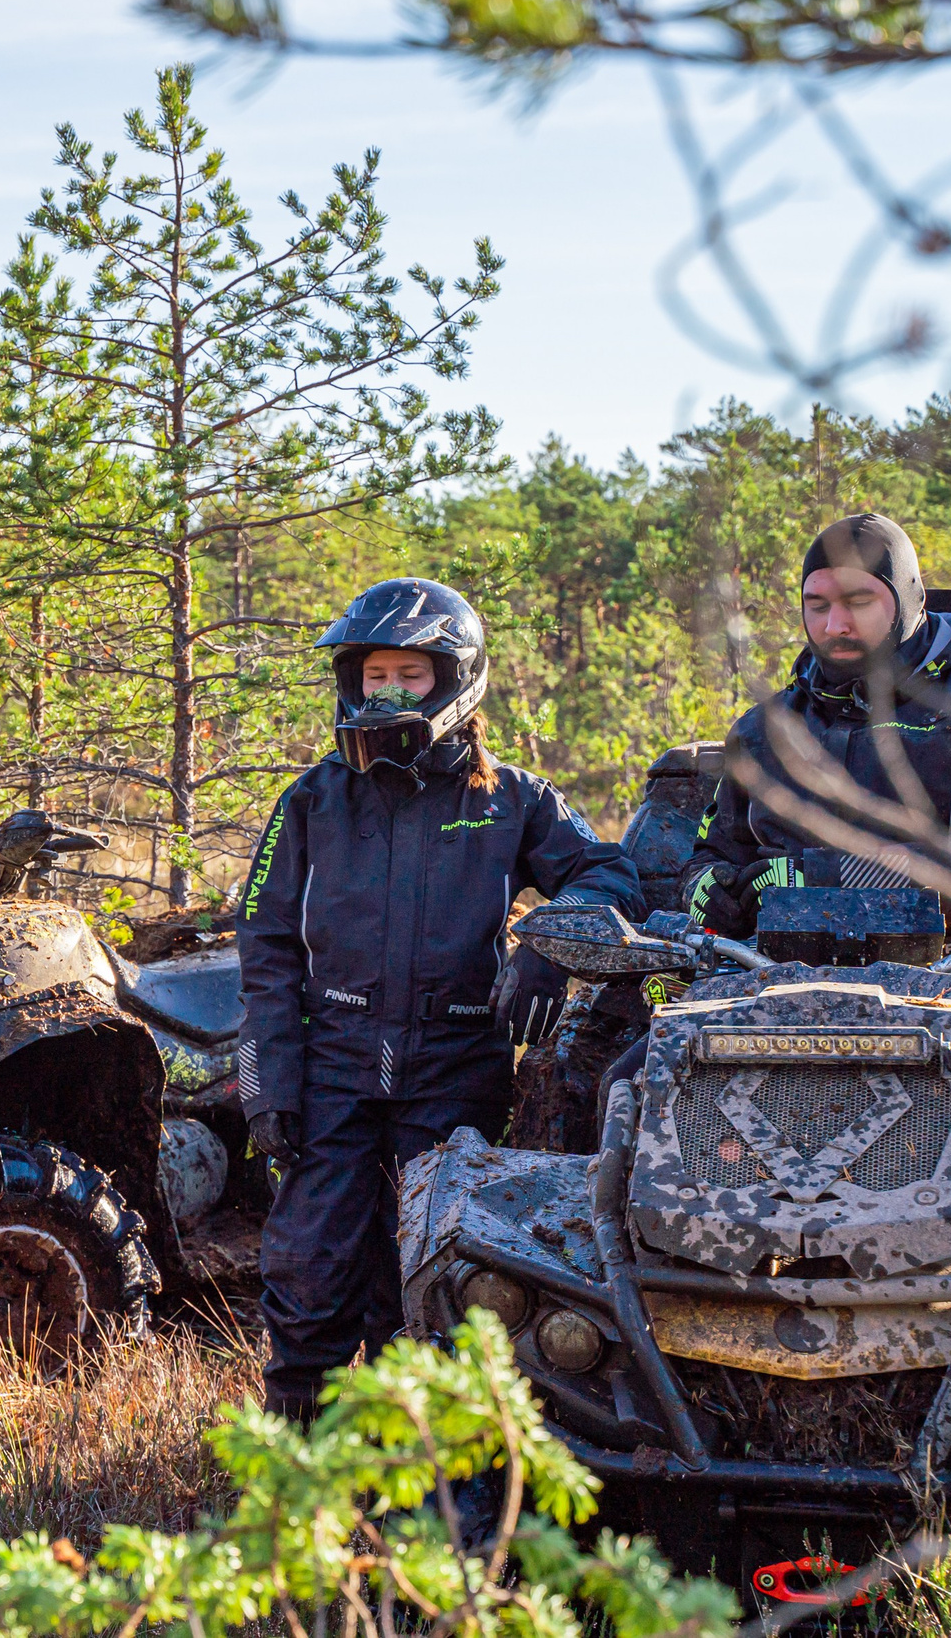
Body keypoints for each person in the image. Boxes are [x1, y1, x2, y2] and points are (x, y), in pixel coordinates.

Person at [233, 577, 640, 1423]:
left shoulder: (511, 797)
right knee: (309, 1277)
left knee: (432, 1285)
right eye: (374, 673)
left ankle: (415, 1494)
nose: (387, 691)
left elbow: (610, 873)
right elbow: (263, 944)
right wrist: (264, 1079)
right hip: (333, 1064)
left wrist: (544, 943)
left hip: (456, 1066)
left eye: (409, 675)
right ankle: (290, 1483)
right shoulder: (312, 798)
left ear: (455, 680)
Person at [687, 513, 951, 934]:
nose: (835, 625)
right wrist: (706, 890)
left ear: (912, 601)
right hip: (773, 979)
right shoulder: (763, 729)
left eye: (859, 602)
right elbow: (711, 856)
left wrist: (825, 879)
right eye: (817, 605)